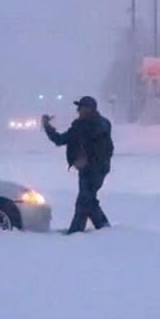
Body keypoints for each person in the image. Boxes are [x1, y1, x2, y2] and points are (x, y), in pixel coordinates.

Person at [41, 96, 113, 234]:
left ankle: (76, 232)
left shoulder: (85, 126)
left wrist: (47, 126)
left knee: (84, 202)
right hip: (97, 169)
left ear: (88, 109)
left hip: (91, 170)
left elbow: (60, 139)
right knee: (88, 200)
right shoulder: (99, 124)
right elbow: (62, 140)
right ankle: (103, 228)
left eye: (80, 107)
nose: (78, 110)